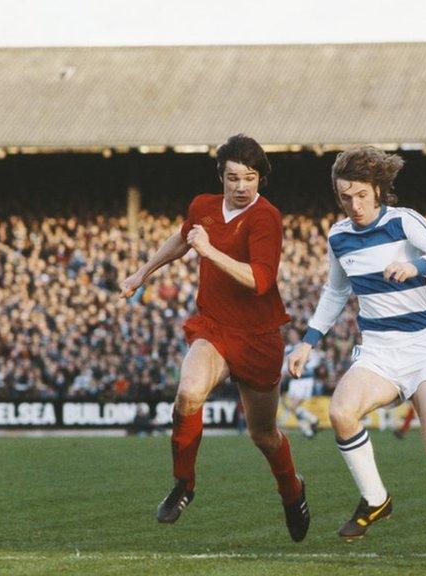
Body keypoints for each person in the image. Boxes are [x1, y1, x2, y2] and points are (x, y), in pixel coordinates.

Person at [287, 145, 426, 558]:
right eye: (345, 197)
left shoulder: (404, 222)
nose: (354, 205)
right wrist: (307, 342)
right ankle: (376, 499)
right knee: (340, 412)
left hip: (422, 350)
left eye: (361, 195)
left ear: (378, 190)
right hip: (378, 352)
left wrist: (416, 267)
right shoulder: (339, 235)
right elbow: (335, 291)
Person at [119, 134, 310, 540]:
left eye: (250, 178)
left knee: (263, 434)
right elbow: (182, 238)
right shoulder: (203, 207)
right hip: (214, 326)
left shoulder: (266, 218)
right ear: (221, 177)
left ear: (261, 178)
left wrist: (209, 252)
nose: (242, 187)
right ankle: (184, 484)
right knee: (188, 393)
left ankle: (292, 491)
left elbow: (260, 280)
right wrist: (142, 273)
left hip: (258, 336)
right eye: (234, 178)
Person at [281, 328, 322, 439]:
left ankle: (312, 419)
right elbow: (285, 364)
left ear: (297, 335)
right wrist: (284, 372)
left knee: (293, 406)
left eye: (293, 333)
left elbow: (316, 359)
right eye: (290, 334)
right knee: (292, 406)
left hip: (305, 380)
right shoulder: (288, 349)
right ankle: (307, 429)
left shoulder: (304, 346)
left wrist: (304, 367)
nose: (292, 336)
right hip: (294, 381)